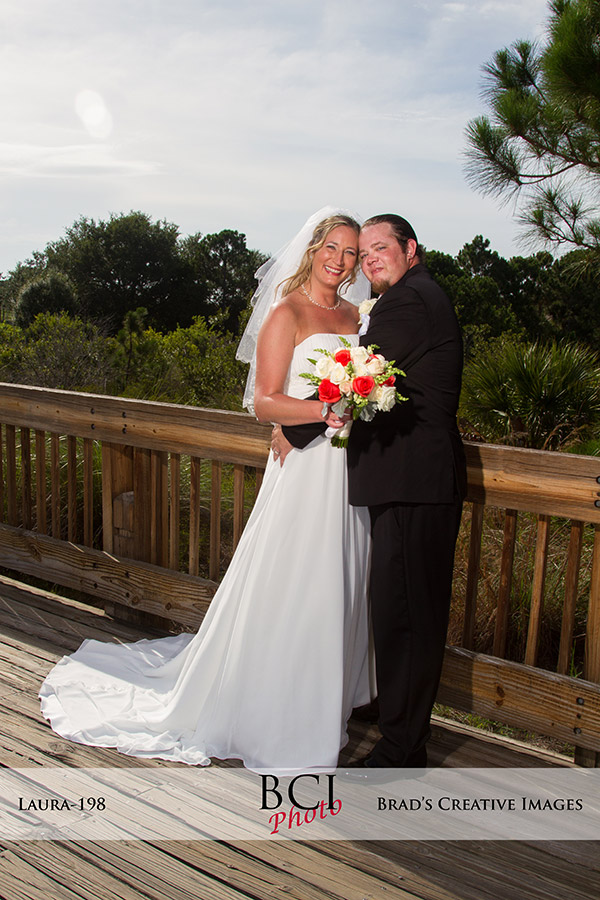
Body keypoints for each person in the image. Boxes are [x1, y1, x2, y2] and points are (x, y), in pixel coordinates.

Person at [39, 208, 374, 774]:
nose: (340, 261)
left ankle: (323, 701)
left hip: (347, 467)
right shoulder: (287, 312)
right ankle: (273, 709)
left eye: (350, 252)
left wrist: (356, 403)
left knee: (338, 579)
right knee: (295, 579)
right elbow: (264, 401)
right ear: (313, 248)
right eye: (331, 248)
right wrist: (322, 410)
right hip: (305, 468)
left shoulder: (355, 315)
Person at [278, 214, 467, 772]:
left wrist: (293, 429)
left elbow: (358, 373)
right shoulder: (410, 296)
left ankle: (402, 747)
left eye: (380, 248)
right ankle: (390, 710)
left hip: (415, 483)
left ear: (411, 249)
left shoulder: (409, 301)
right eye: (364, 254)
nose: (369, 260)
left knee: (407, 616)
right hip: (410, 482)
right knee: (397, 606)